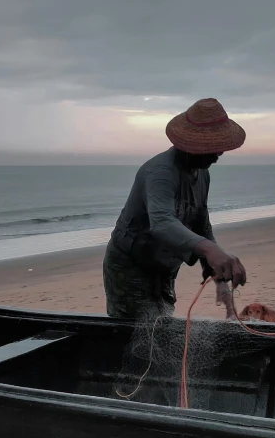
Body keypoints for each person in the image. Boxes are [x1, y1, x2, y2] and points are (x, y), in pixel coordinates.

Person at [103, 97, 247, 319]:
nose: (218, 154)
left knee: (161, 322)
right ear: (190, 145)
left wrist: (218, 276)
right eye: (211, 148)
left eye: (219, 147)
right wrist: (210, 249)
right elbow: (161, 223)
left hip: (164, 269)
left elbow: (201, 223)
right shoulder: (160, 172)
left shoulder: (202, 173)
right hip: (131, 266)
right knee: (138, 335)